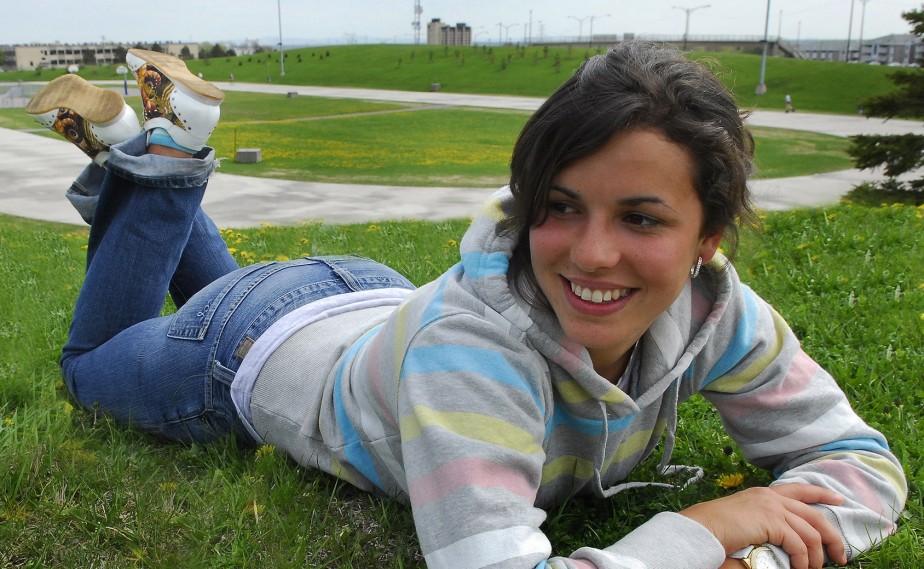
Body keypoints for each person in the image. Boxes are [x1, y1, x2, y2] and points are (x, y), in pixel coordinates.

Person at [26, 43, 906, 569]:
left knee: (206, 299)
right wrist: (704, 527)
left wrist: (762, 552)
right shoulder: (471, 356)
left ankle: (144, 149)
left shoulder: (719, 312)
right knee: (88, 365)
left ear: (707, 237)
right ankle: (162, 155)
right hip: (248, 348)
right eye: (560, 206)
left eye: (641, 218)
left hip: (366, 302)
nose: (592, 253)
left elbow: (860, 460)